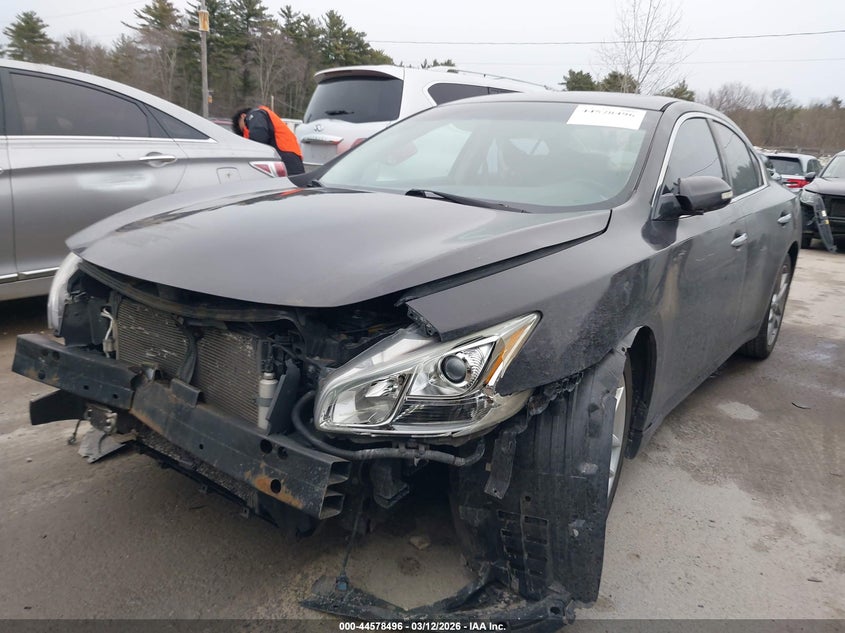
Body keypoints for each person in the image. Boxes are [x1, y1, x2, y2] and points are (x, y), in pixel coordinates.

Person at [232, 106, 305, 175]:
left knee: (291, 185)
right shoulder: (264, 115)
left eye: (243, 129)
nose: (245, 132)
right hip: (289, 155)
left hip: (285, 157)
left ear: (243, 116)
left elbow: (259, 137)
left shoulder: (255, 115)